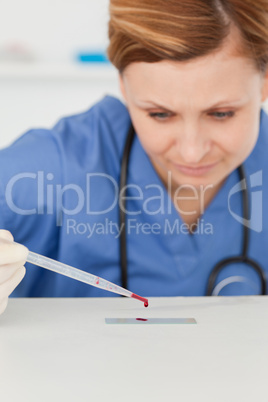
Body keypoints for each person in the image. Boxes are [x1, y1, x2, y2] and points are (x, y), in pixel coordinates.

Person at [1, 0, 268, 316]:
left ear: (264, 83)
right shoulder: (53, 167)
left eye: (222, 113)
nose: (192, 151)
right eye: (159, 114)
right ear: (124, 87)